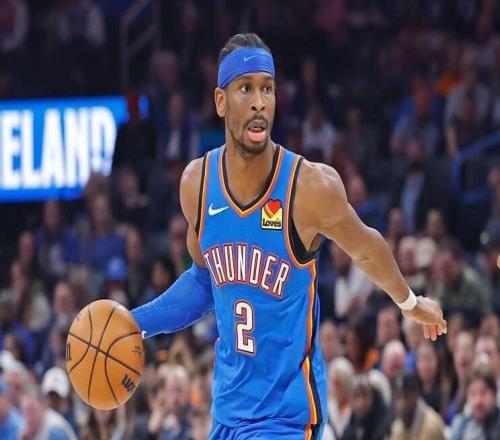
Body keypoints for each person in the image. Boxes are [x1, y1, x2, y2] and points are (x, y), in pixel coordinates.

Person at [131, 33, 446, 439]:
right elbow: (205, 281)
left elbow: (366, 248)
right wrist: (135, 322)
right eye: (246, 89)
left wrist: (409, 302)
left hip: (287, 418)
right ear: (220, 102)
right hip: (227, 415)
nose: (259, 102)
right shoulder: (198, 184)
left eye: (268, 89)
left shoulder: (309, 187)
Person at [390, 372, 445, 440]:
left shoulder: (431, 425)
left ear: (416, 397)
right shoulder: (397, 426)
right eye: (398, 397)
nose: (401, 403)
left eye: (406, 397)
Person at [450, 366, 500, 440]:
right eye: (473, 394)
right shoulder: (460, 426)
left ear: (494, 394)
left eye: (483, 392)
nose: (478, 401)